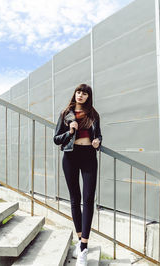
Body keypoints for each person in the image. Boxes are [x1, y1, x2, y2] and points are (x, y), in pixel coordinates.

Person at [53, 84, 102, 266]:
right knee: (75, 198)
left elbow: (99, 136)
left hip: (89, 155)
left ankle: (83, 246)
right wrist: (70, 131)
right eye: (79, 92)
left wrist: (97, 141)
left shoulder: (94, 115)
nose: (81, 95)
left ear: (89, 97)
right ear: (75, 94)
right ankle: (81, 241)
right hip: (70, 156)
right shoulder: (66, 113)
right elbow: (56, 138)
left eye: (85, 93)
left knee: (88, 199)